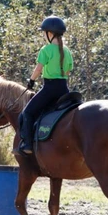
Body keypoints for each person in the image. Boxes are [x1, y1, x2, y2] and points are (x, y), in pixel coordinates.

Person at [14, 15, 74, 155]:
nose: (44, 36)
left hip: (49, 88)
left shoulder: (46, 50)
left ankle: (27, 145)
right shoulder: (67, 51)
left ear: (50, 33)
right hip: (64, 89)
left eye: (44, 33)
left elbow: (38, 69)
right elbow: (67, 72)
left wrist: (31, 81)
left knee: (27, 113)